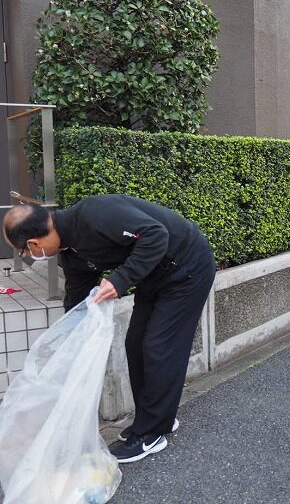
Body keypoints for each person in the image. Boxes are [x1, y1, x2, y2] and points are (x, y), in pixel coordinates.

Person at [2, 195, 216, 462]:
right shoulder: (71, 254)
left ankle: (152, 433)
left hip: (188, 267)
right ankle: (157, 419)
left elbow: (155, 235)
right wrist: (67, 344)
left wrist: (120, 279)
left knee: (159, 347)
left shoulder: (96, 214)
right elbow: (77, 298)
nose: (30, 256)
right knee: (135, 343)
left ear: (34, 243)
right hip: (154, 274)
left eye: (24, 251)